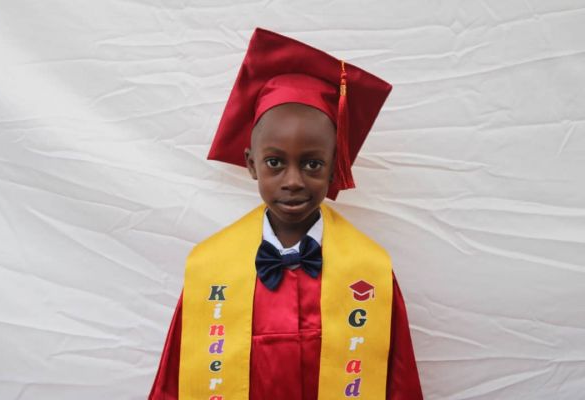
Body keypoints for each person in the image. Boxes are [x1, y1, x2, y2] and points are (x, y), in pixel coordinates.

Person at [149, 27, 423, 400]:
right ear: (251, 164)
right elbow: (174, 384)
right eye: (275, 162)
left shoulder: (369, 271)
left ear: (335, 166)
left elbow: (399, 385)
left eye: (312, 164)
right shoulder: (211, 270)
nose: (293, 181)